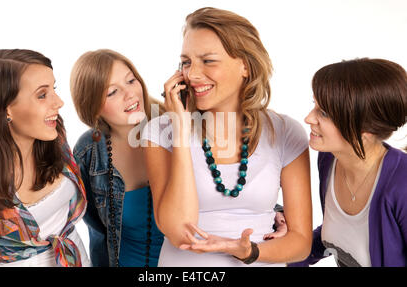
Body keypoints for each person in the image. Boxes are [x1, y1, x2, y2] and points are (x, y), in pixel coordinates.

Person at [141, 7, 312, 267]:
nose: (193, 74)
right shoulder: (160, 132)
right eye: (186, 62)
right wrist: (182, 131)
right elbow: (179, 231)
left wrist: (248, 252)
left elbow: (300, 243)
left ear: (245, 65)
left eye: (208, 61)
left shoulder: (285, 132)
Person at [0, 49, 90, 267]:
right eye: (42, 95)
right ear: (5, 110)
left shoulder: (54, 135)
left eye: (53, 89)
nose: (59, 102)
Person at [291, 58, 407, 267]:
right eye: (314, 105)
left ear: (365, 131)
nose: (309, 118)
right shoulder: (329, 159)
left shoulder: (402, 184)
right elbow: (337, 238)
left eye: (324, 113)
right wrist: (287, 245)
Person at [71, 49, 166, 267]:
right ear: (93, 107)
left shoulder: (176, 128)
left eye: (131, 80)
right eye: (112, 92)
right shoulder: (89, 152)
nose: (130, 94)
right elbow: (93, 227)